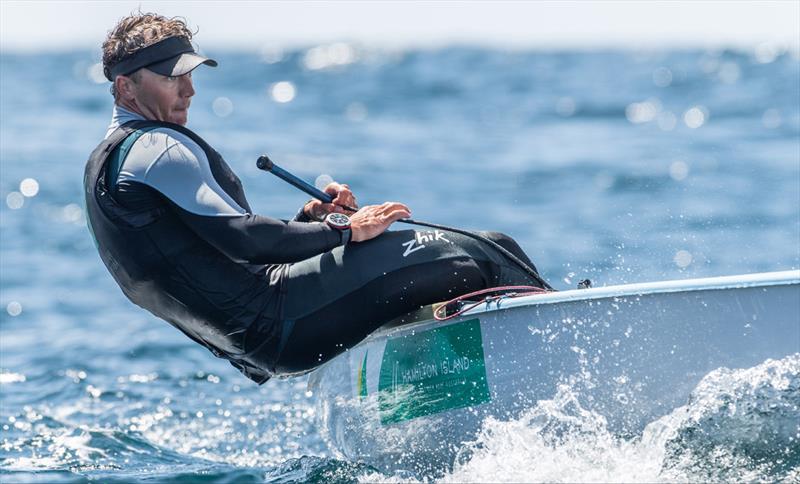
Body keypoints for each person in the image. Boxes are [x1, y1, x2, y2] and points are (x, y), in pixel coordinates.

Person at [85, 13, 548, 384]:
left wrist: (310, 217)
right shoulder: (157, 148)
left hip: (265, 340)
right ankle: (568, 357)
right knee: (489, 250)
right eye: (171, 78)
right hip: (287, 319)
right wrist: (343, 227)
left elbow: (211, 261)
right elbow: (244, 240)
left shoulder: (105, 166)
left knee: (460, 261)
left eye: (189, 74)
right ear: (126, 86)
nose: (189, 89)